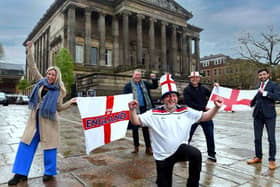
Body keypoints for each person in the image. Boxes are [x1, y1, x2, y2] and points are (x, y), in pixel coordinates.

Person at [128, 73, 223, 187]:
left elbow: (205, 116)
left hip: (180, 150)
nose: (171, 99)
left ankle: (192, 185)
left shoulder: (186, 111)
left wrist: (216, 107)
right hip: (163, 156)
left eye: (174, 96)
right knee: (164, 184)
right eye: (168, 96)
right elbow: (136, 121)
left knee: (196, 154)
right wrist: (132, 111)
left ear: (177, 98)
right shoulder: (153, 113)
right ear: (163, 99)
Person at [8, 41, 77, 185]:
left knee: (50, 148)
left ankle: (49, 172)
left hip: (49, 122)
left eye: (52, 74)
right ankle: (20, 174)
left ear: (56, 77)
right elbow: (32, 67)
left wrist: (70, 103)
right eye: (48, 73)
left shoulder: (59, 91)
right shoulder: (41, 82)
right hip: (34, 121)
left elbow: (58, 108)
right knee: (25, 145)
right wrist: (30, 50)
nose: (50, 76)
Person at [247, 68, 280, 170]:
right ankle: (258, 156)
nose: (262, 76)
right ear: (258, 76)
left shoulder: (273, 85)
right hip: (258, 115)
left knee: (271, 138)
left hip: (269, 115)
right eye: (260, 75)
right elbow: (254, 100)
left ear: (268, 75)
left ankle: (272, 160)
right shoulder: (257, 86)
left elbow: (278, 96)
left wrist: (265, 93)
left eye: (264, 74)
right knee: (257, 138)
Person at [183, 71, 218, 162]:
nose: (195, 79)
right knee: (187, 135)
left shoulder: (203, 89)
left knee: (210, 135)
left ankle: (211, 154)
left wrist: (216, 88)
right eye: (192, 78)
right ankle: (183, 153)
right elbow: (188, 103)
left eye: (196, 78)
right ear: (190, 79)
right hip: (193, 116)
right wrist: (203, 108)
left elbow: (213, 96)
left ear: (199, 79)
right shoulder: (187, 90)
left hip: (205, 116)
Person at [123, 69, 158, 155]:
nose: (138, 76)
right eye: (136, 75)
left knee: (145, 128)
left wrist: (154, 79)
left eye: (139, 75)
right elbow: (124, 97)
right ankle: (136, 147)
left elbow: (154, 86)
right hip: (134, 109)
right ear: (133, 76)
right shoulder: (128, 86)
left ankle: (148, 148)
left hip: (145, 108)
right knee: (135, 129)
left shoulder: (145, 83)